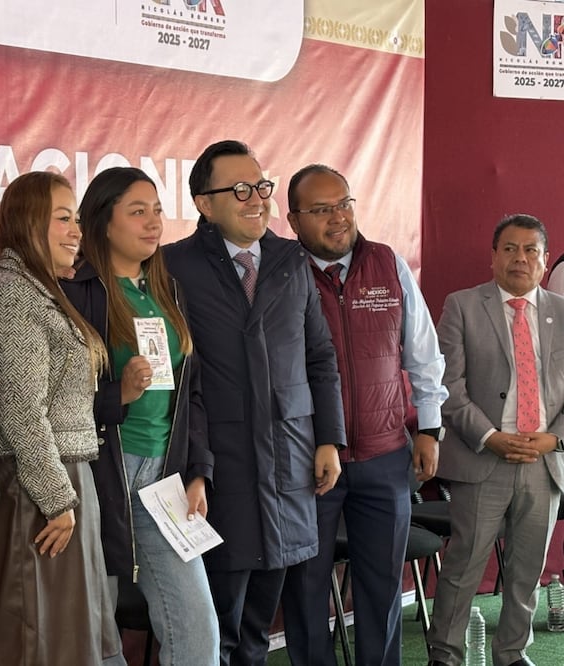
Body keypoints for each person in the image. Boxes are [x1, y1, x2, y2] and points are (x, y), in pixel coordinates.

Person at [163, 140, 346, 666]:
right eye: (239, 189)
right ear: (204, 202)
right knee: (214, 622)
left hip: (290, 457)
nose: (256, 199)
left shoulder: (291, 260)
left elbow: (320, 356)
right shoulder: (175, 266)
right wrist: (196, 463)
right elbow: (180, 381)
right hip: (219, 464)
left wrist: (330, 438)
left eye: (261, 187)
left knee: (259, 627)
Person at [280, 164, 448, 665]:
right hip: (307, 460)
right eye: (322, 209)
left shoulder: (387, 264)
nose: (338, 218)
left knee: (380, 588)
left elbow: (423, 353)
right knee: (306, 586)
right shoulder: (281, 271)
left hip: (385, 456)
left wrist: (430, 428)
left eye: (345, 203)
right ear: (293, 219)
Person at [63, 166, 220, 665]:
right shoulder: (76, 291)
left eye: (156, 210)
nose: (153, 223)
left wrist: (198, 471)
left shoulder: (166, 290)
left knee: (198, 632)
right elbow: (52, 404)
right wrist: (118, 396)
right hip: (98, 473)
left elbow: (191, 394)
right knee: (96, 636)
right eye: (137, 212)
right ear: (102, 223)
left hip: (164, 479)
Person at [0, 171, 124, 665]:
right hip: (34, 489)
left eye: (77, 219)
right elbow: (21, 410)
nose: (77, 230)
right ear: (27, 222)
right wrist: (58, 498)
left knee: (69, 639)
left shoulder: (35, 288)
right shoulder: (12, 292)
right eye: (63, 218)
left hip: (56, 480)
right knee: (35, 641)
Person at [426, 214, 564, 666]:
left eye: (530, 250)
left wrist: (552, 440)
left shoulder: (563, 313)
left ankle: (512, 654)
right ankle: (444, 655)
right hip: (482, 457)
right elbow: (448, 386)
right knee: (464, 568)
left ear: (544, 261)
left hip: (543, 464)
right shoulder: (462, 305)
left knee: (526, 572)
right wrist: (491, 437)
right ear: (492, 257)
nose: (519, 258)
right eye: (509, 248)